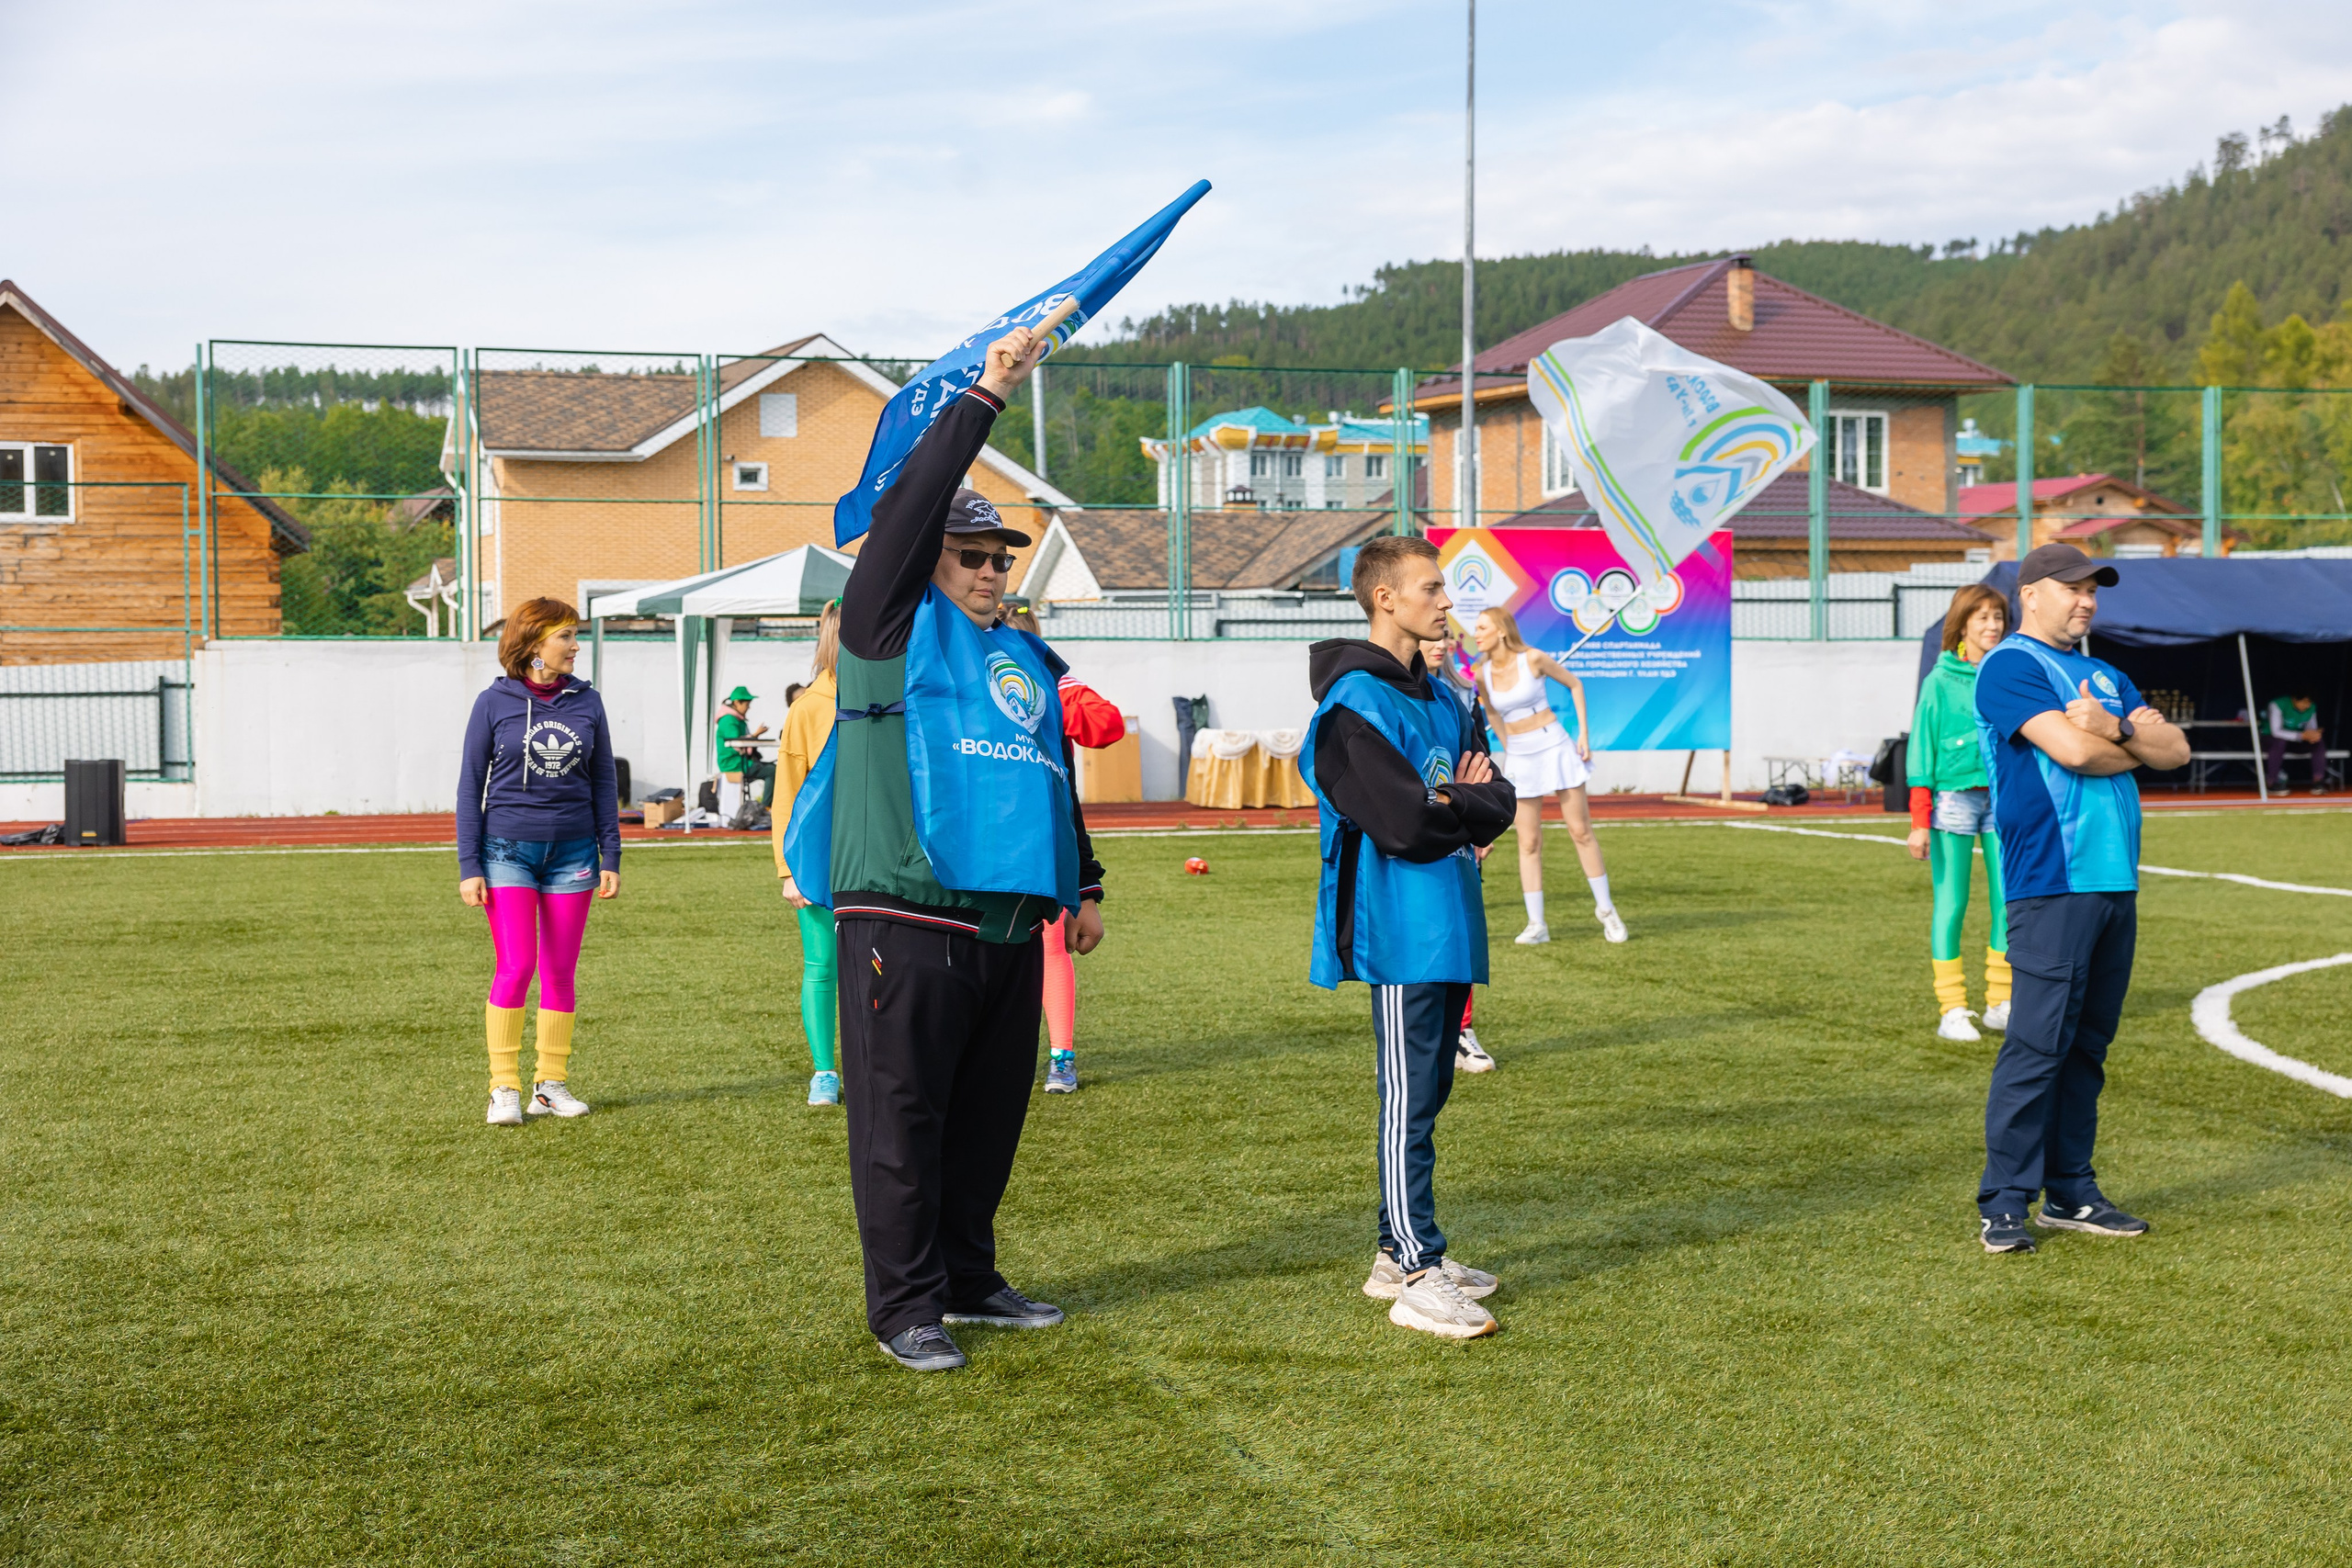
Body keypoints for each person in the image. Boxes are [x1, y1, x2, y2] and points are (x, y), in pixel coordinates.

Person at [779, 323, 1106, 1373]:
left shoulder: (1019, 653)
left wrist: (1084, 884)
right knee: (901, 1124)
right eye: (969, 555)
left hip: (1008, 918)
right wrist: (987, 400)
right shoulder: (887, 628)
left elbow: (1043, 773)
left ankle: (966, 1276)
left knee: (984, 1121)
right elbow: (908, 518)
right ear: (925, 561)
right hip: (905, 915)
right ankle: (903, 1305)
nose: (989, 571)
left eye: (1000, 556)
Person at [1306, 535, 1517, 1339]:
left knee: (1430, 1092)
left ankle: (1399, 1252)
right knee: (1407, 1098)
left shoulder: (1444, 694)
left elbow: (1498, 792)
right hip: (1399, 923)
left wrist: (1460, 806)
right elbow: (1397, 821)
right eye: (1430, 587)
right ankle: (1417, 1271)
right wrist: (1460, 806)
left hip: (1452, 913)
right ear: (1384, 598)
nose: (1445, 600)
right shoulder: (1353, 700)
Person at [1970, 544, 2188, 1254]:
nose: (2087, 599)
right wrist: (2126, 740)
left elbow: (2177, 748)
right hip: (2051, 882)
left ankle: (2070, 1190)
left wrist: (2117, 726)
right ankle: (2004, 1201)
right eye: (2072, 587)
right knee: (2037, 1045)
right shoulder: (2011, 664)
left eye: (2093, 589)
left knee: (2087, 1046)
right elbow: (2073, 752)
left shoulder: (2105, 674)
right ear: (2031, 593)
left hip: (2114, 882)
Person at [455, 597, 621, 1126]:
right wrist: (468, 864)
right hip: (506, 852)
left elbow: (604, 782)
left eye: (575, 636)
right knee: (517, 964)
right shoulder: (492, 702)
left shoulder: (587, 701)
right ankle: (502, 1088)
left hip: (573, 853)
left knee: (559, 971)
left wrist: (610, 852)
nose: (575, 646)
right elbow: (468, 787)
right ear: (533, 645)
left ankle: (549, 1086)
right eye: (566, 637)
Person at [1006, 604, 1125, 1094]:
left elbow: (1107, 724)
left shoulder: (1054, 686)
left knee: (1052, 945)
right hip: (993, 839)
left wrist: (1051, 696)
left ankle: (1061, 1056)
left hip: (1046, 837)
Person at [1468, 605, 1626, 945]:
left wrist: (1583, 735)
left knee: (1580, 830)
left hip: (1555, 746)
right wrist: (1509, 748)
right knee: (1528, 842)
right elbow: (1493, 713)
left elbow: (1575, 684)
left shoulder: (1534, 658)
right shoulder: (1481, 674)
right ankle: (1536, 924)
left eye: (1482, 627)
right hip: (1521, 757)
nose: (1475, 633)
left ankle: (1606, 910)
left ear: (1501, 630)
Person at [1907, 583, 2013, 1043]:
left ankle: (2000, 1002)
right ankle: (1952, 1009)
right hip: (1951, 801)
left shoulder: (2009, 673)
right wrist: (1918, 821)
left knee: (2009, 902)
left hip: (2002, 800)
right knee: (1951, 903)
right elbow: (1920, 752)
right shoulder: (1939, 680)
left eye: (1998, 618)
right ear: (1963, 623)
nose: (1993, 626)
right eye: (1983, 617)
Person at [774, 602, 843, 1107]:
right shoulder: (809, 707)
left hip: (882, 860)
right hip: (819, 859)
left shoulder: (902, 694)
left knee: (884, 967)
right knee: (822, 965)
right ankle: (825, 1071)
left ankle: (875, 1063)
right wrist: (787, 869)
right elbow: (786, 794)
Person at [1420, 630, 1497, 1074]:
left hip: (1459, 833)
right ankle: (1406, 1036)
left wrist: (1480, 826)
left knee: (1460, 934)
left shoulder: (1464, 695)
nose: (1441, 642)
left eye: (1448, 636)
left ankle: (1461, 1032)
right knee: (1414, 932)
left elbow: (1482, 764)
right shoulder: (1382, 694)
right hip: (1409, 832)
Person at [716, 686, 775, 821]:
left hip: (741, 761)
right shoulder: (729, 720)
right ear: (737, 703)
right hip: (733, 763)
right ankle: (764, 808)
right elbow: (737, 743)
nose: (748, 708)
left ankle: (767, 807)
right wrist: (755, 735)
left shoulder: (736, 719)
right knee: (772, 771)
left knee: (774, 768)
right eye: (747, 704)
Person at [2265, 689, 2327, 795]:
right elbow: (2276, 731)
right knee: (2280, 742)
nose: (2307, 705)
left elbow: (2311, 728)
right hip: (2270, 740)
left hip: (2295, 742)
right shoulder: (2277, 704)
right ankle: (2272, 783)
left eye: (2310, 702)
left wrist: (2314, 734)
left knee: (2318, 743)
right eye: (2304, 702)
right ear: (2294, 699)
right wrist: (2300, 735)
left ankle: (2318, 782)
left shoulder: (2311, 708)